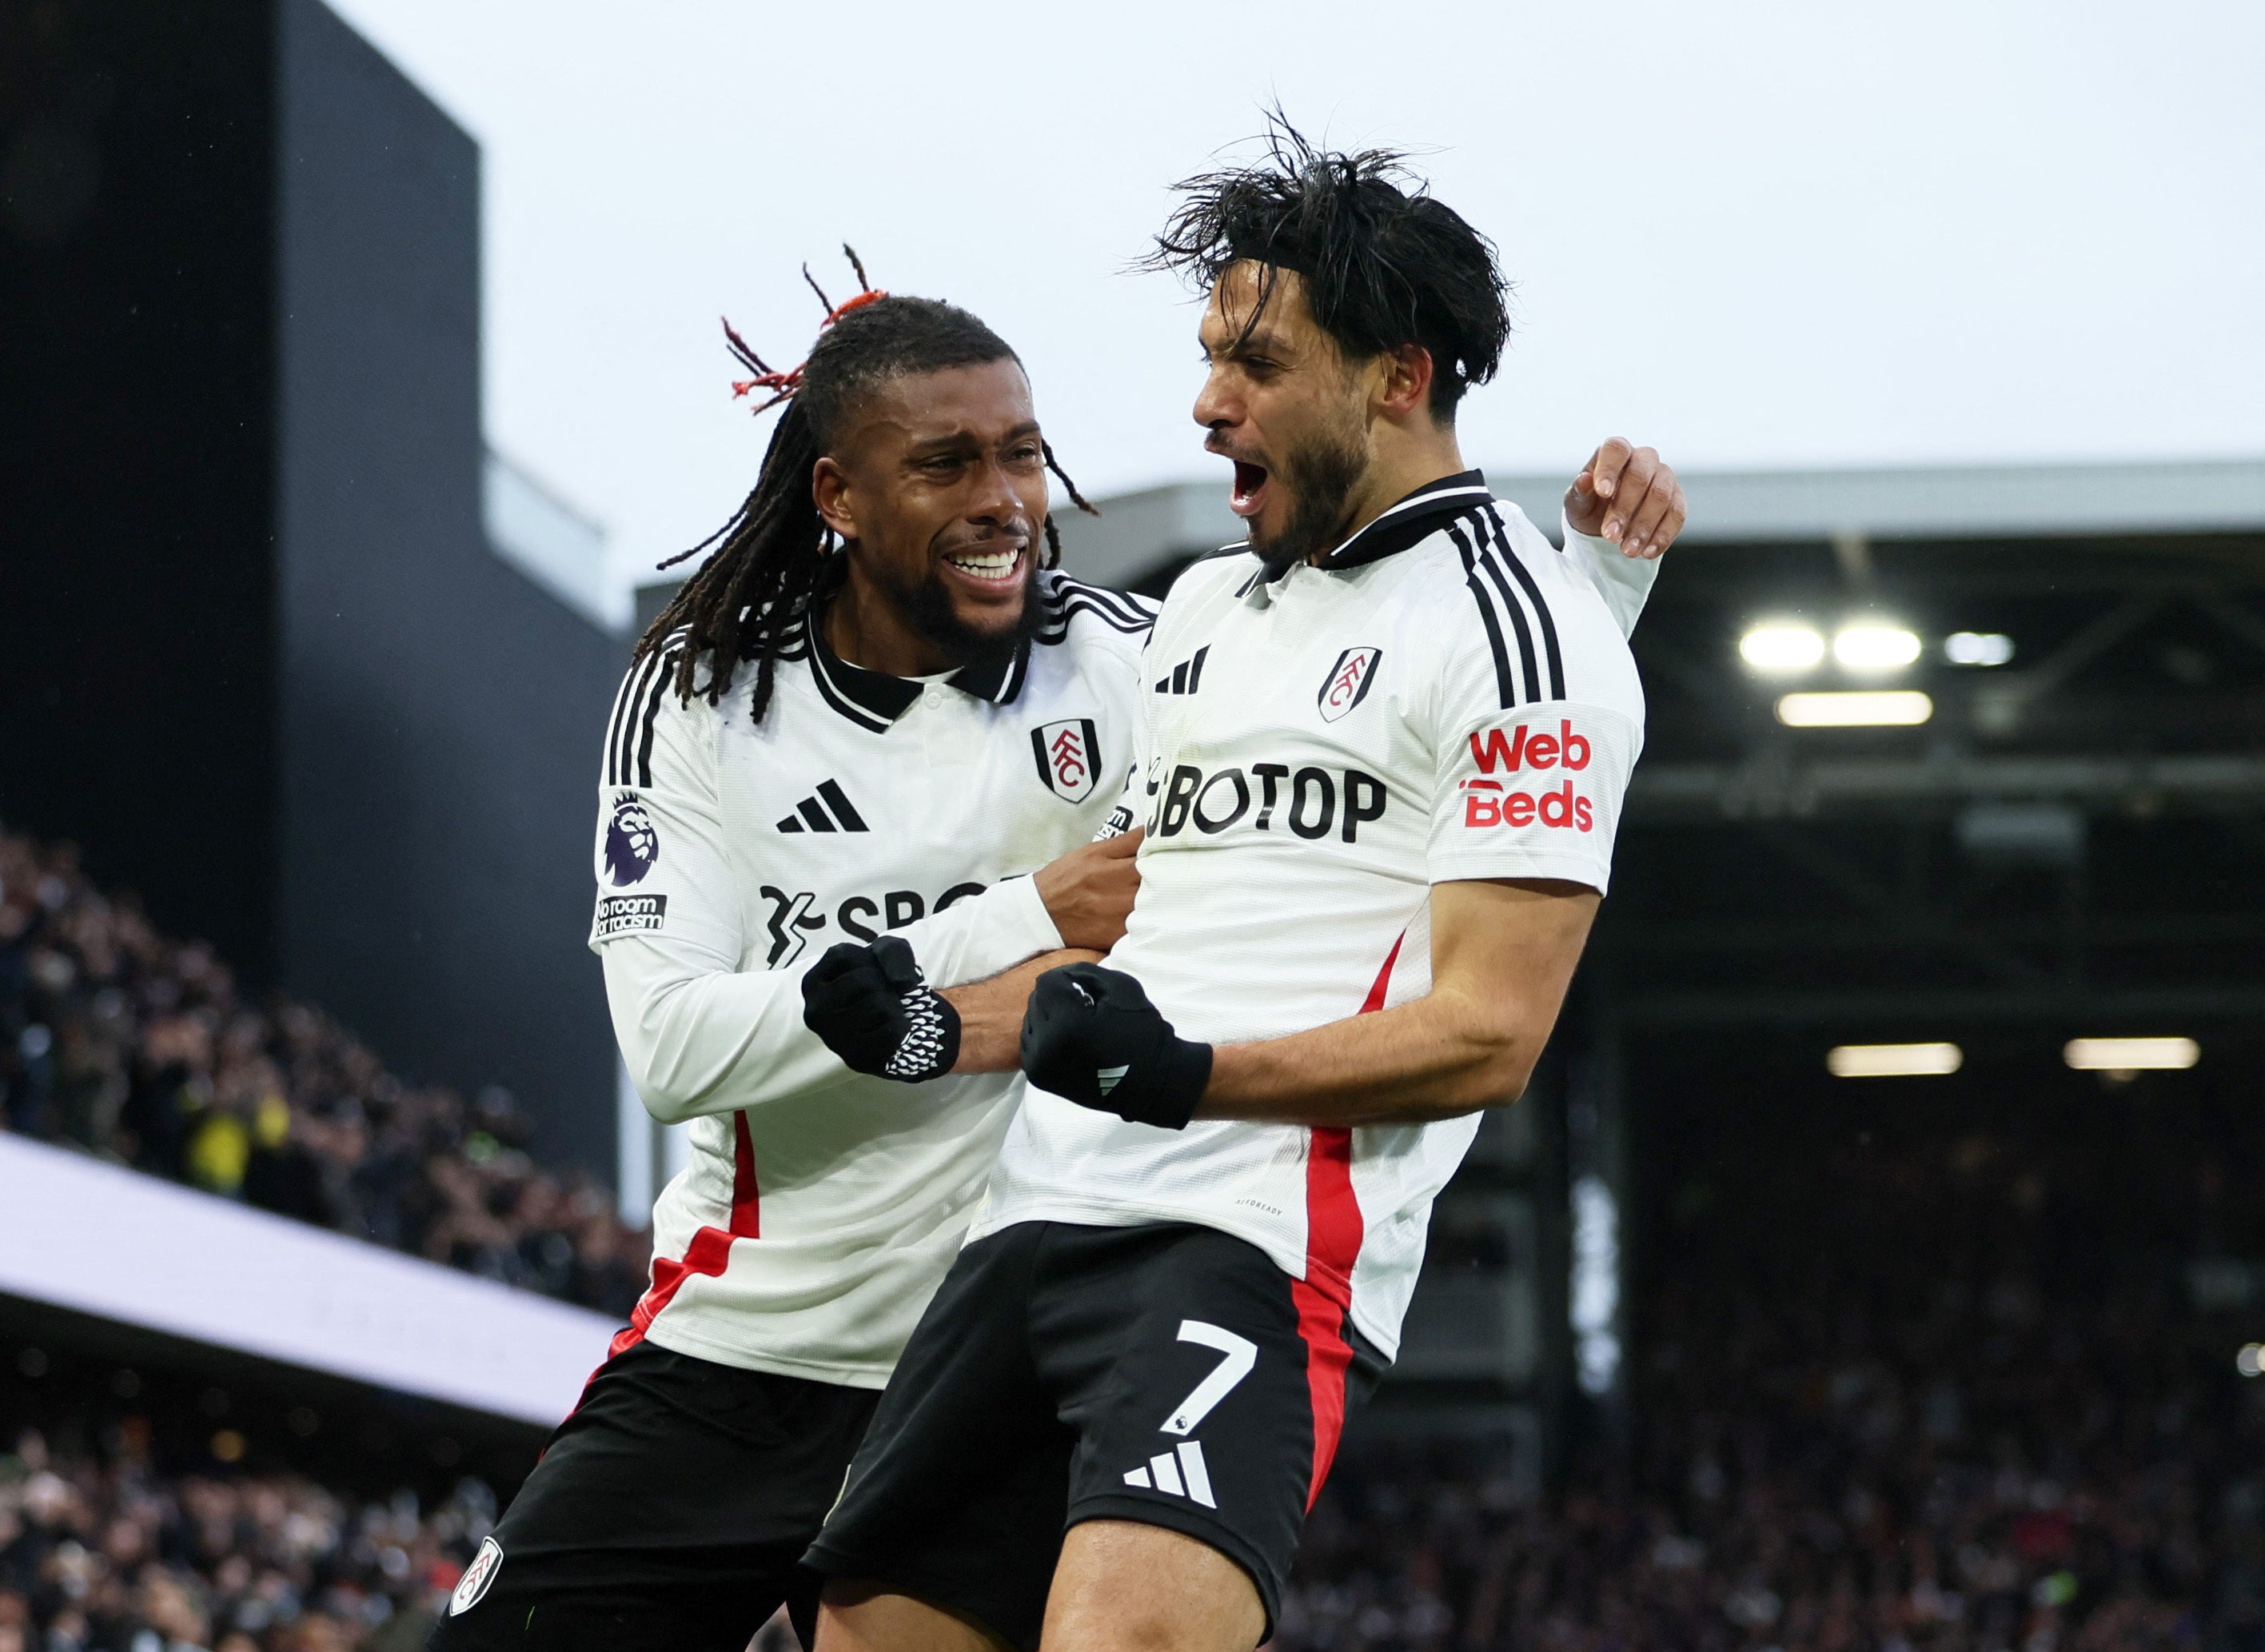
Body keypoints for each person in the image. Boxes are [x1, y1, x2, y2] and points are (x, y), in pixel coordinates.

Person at [800, 130, 1688, 1652]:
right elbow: (1134, 936)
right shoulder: (1206, 605)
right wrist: (937, 1021)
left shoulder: (1524, 633)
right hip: (1029, 1224)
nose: (1208, 402)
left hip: (1248, 1241)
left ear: (1396, 378)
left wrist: (1188, 1077)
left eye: (1256, 363)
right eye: (1211, 356)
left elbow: (1489, 1032)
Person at [430, 277, 1160, 1652]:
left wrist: (1588, 586)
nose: (1004, 499)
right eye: (945, 463)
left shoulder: (1135, 669)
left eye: (1021, 453)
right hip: (745, 1346)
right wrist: (1017, 916)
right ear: (838, 494)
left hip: (1000, 1362)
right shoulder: (705, 692)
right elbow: (673, 1050)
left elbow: (1218, 917)